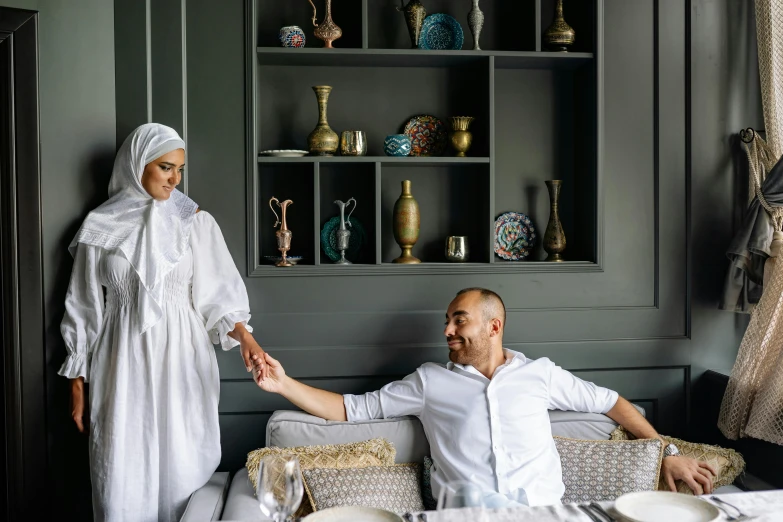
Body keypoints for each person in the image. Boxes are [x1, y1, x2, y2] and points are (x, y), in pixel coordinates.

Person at [252, 287, 716, 507]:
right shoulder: (430, 381)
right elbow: (350, 410)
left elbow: (613, 403)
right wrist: (283, 383)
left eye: (459, 320)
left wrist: (666, 452)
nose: (447, 330)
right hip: (467, 517)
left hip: (545, 516)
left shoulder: (541, 375)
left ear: (493, 326)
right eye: (448, 321)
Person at [59, 124, 268, 522]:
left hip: (181, 359)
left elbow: (218, 296)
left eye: (180, 170)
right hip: (121, 361)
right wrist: (76, 384)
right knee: (121, 468)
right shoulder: (100, 227)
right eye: (166, 168)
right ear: (137, 165)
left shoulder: (193, 221)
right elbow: (84, 306)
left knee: (182, 466)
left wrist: (245, 338)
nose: (175, 179)